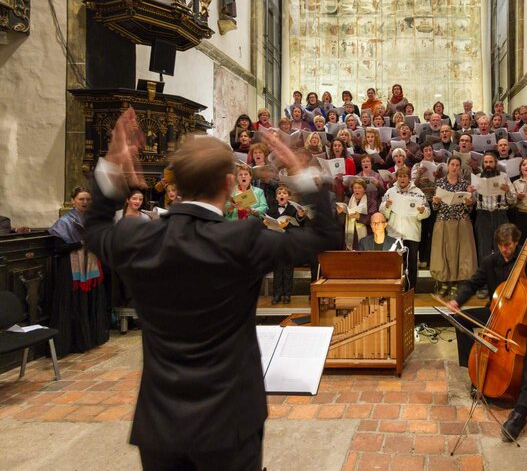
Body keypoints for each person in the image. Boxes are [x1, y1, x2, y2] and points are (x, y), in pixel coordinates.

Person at [83, 108, 339, 469]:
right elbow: (327, 236)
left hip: (161, 423)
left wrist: (113, 165)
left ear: (177, 183)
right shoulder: (243, 240)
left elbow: (93, 230)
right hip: (230, 419)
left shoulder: (136, 237)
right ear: (230, 183)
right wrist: (302, 174)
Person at [448, 223, 527, 441]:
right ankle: (477, 375)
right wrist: (457, 300)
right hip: (499, 313)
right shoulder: (490, 261)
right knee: (460, 320)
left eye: (509, 245)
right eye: (502, 246)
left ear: (516, 242)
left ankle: (522, 410)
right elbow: (473, 283)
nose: (505, 249)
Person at [48, 187, 108, 357]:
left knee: (89, 301)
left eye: (88, 199)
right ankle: (73, 342)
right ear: (73, 200)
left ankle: (90, 339)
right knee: (73, 303)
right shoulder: (64, 222)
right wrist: (81, 242)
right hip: (71, 268)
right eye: (81, 199)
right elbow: (58, 248)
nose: (85, 202)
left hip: (90, 265)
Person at [430, 156, 476, 296]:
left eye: (457, 165)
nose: (454, 167)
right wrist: (436, 201)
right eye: (452, 164)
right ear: (448, 166)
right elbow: (435, 207)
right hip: (443, 220)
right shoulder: (440, 183)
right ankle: (444, 283)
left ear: (460, 168)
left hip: (461, 221)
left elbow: (470, 208)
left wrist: (469, 203)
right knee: (443, 253)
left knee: (460, 253)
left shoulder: (464, 184)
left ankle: (456, 283)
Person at [380, 166, 430, 290]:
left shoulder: (418, 192)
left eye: (405, 176)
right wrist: (386, 205)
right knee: (394, 264)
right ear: (396, 178)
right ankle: (394, 289)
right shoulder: (390, 191)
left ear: (409, 178)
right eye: (400, 176)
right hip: (394, 233)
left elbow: (427, 211)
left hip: (411, 234)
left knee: (411, 264)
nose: (402, 178)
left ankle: (410, 289)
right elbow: (383, 212)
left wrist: (422, 211)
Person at [265, 185, 306, 304]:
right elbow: (268, 226)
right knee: (277, 271)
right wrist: (266, 223)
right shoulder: (271, 210)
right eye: (279, 193)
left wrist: (300, 216)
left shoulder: (294, 210)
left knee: (288, 270)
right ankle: (277, 294)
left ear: (288, 196)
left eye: (284, 193)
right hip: (276, 243)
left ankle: (287, 294)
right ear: (276, 197)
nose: (282, 195)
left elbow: (299, 225)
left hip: (289, 242)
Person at [338, 178, 376, 250]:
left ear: (364, 190)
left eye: (359, 188)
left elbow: (373, 219)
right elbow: (341, 222)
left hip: (365, 235)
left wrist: (359, 216)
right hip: (350, 236)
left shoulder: (371, 202)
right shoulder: (347, 202)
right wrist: (340, 213)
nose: (357, 190)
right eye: (355, 188)